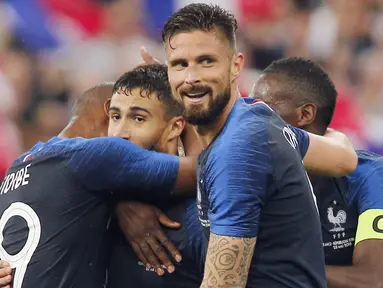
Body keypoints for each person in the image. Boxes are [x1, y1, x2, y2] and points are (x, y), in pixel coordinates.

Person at [160, 3, 357, 287]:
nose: (191, 78)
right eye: (179, 65)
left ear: (236, 66)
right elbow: (344, 159)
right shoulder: (258, 118)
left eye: (207, 61)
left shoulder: (238, 150)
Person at [0, 76, 197, 288]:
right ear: (109, 112)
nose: (125, 133)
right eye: (125, 117)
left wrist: (119, 200)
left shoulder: (20, 166)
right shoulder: (100, 154)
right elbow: (204, 169)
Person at [250, 57, 383, 288]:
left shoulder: (370, 176)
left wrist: (280, 267)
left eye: (264, 108)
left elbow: (373, 280)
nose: (250, 118)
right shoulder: (251, 173)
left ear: (305, 115)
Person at [105, 64, 205, 288]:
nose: (119, 134)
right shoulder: (93, 202)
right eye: (115, 116)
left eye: (138, 119)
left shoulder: (204, 215)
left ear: (175, 127)